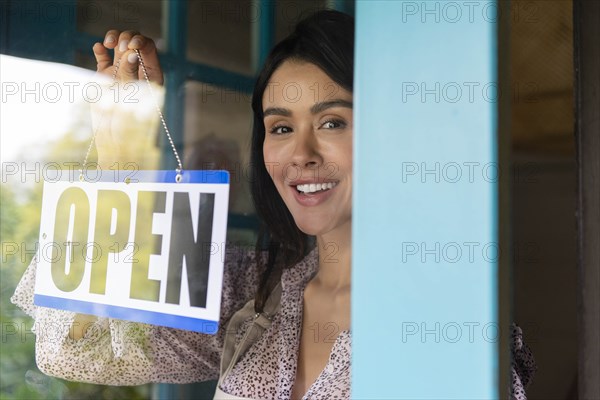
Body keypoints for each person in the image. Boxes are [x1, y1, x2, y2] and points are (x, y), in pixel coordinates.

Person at [11, 10, 535, 400]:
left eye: (333, 122)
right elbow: (75, 345)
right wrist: (118, 152)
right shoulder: (255, 293)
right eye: (280, 127)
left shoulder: (448, 324)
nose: (301, 155)